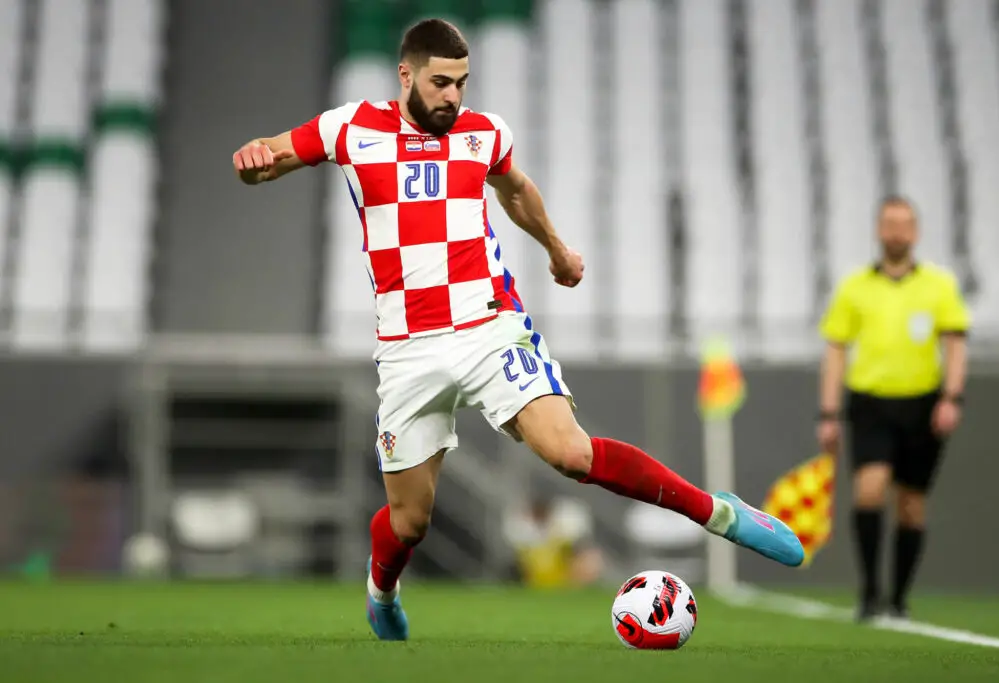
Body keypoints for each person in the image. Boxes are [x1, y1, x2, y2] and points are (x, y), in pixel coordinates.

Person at [232, 18, 804, 641]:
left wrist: (556, 249)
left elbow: (516, 189)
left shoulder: (483, 133)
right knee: (410, 523)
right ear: (406, 75)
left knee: (571, 453)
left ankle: (718, 513)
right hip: (407, 350)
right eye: (441, 82)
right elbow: (268, 160)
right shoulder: (350, 127)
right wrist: (252, 161)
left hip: (489, 327)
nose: (453, 95)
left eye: (462, 82)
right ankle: (382, 593)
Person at [817, 196, 969, 621]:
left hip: (922, 403)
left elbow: (955, 344)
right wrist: (828, 412)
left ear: (915, 232)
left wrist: (952, 397)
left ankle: (899, 597)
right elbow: (835, 349)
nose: (897, 232)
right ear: (878, 230)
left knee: (911, 503)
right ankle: (869, 590)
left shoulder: (939, 285)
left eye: (904, 224)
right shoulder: (855, 287)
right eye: (889, 223)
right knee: (869, 489)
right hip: (870, 402)